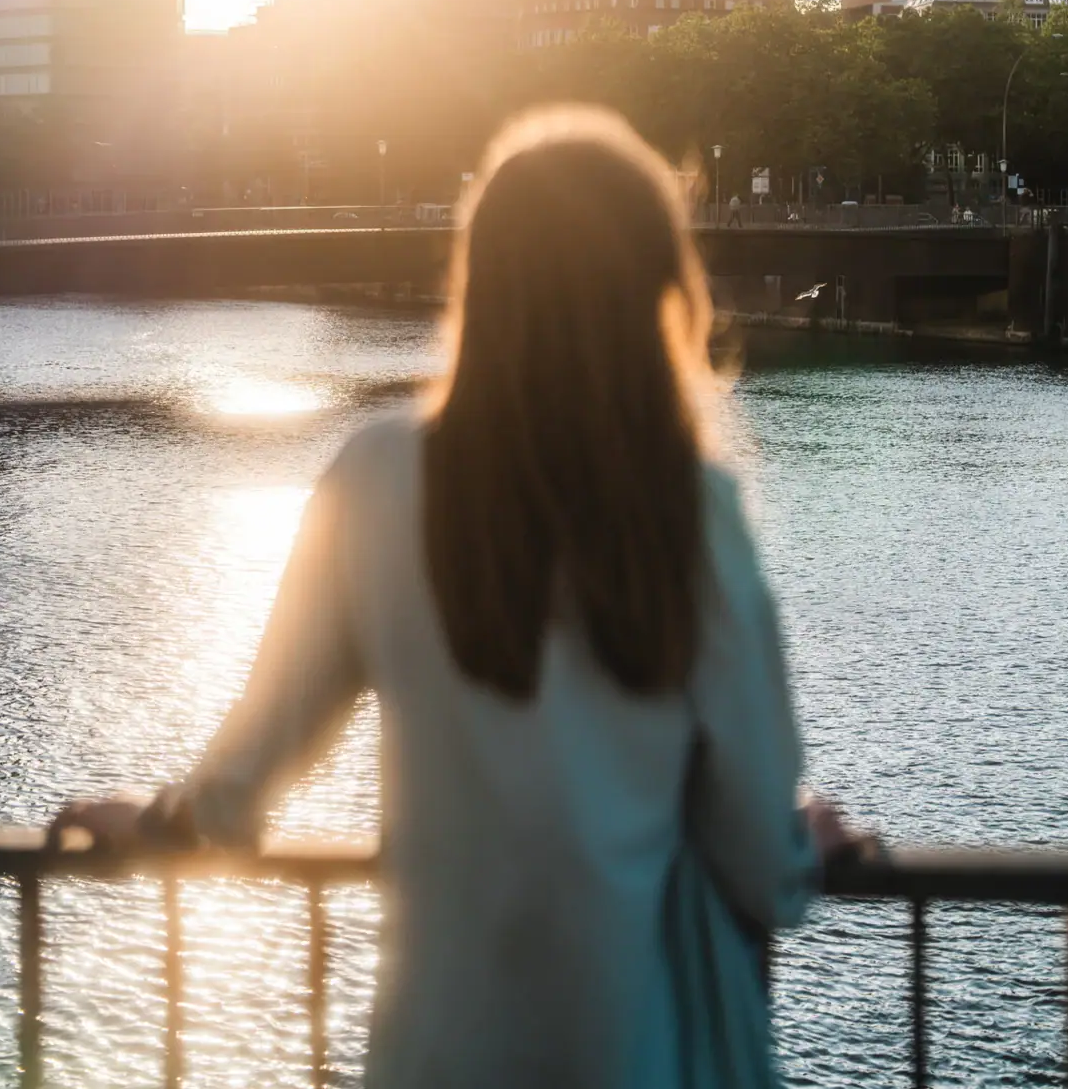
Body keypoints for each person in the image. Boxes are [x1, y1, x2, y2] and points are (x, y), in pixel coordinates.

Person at [51, 106, 854, 1089]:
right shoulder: (687, 506)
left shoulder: (376, 477)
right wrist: (797, 842)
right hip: (633, 1052)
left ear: (484, 282)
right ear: (656, 290)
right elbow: (758, 861)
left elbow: (254, 764)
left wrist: (163, 823)